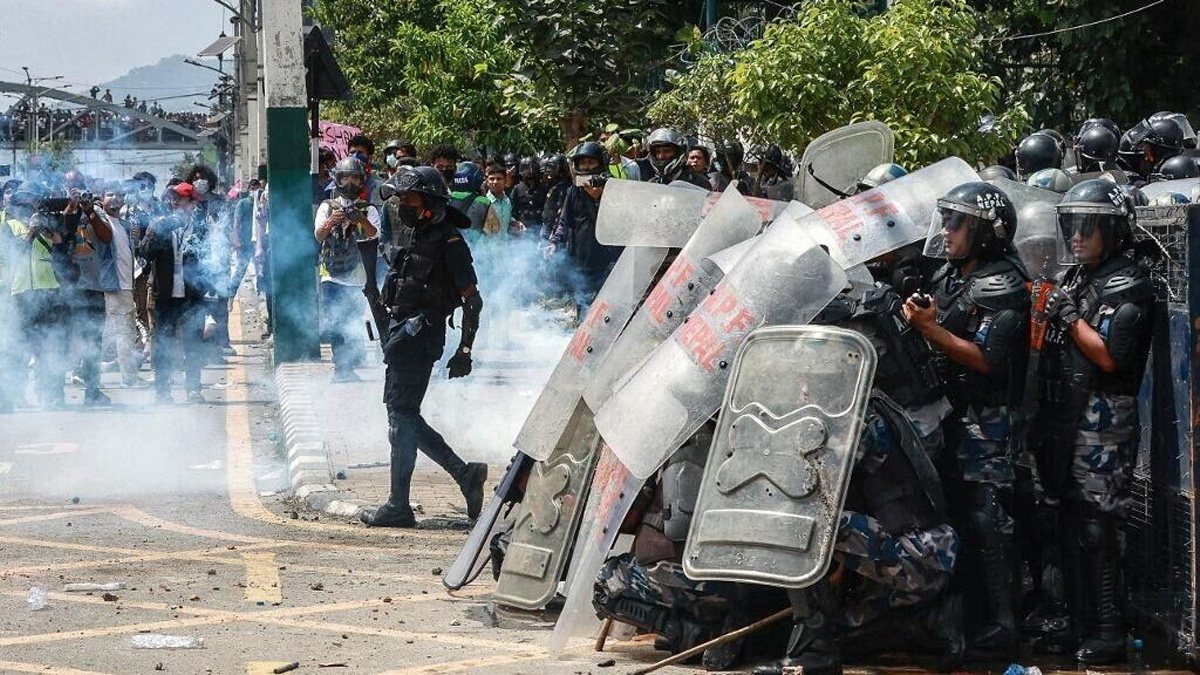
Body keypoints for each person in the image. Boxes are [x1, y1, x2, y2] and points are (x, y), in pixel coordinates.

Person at [1029, 179, 1154, 665]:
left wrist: (1068, 316)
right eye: (1071, 227)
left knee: (1099, 529)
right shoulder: (1081, 278)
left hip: (1105, 420)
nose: (1075, 238)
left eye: (1087, 228)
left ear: (1112, 231)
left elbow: (1111, 358)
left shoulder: (1129, 284)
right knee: (1068, 521)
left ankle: (1108, 629)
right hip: (1068, 417)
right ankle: (1079, 622)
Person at [903, 181, 1030, 658]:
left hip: (988, 420)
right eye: (947, 220)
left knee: (988, 517)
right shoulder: (952, 275)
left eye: (959, 223)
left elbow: (987, 360)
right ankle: (966, 614)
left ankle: (1004, 623)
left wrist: (930, 328)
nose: (949, 231)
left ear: (984, 233)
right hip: (951, 416)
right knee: (955, 512)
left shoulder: (1004, 284)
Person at [359, 166, 488, 528]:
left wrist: (465, 351)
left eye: (410, 199)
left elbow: (473, 302)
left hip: (422, 338)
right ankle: (465, 475)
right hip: (401, 338)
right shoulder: (415, 236)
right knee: (403, 417)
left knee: (401, 419)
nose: (402, 206)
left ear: (429, 202)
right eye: (400, 199)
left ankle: (399, 505)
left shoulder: (450, 243)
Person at [141, 183, 208, 404]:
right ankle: (163, 391)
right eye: (175, 200)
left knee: (193, 343)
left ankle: (194, 388)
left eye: (183, 200)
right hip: (166, 294)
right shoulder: (160, 225)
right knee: (163, 343)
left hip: (192, 294)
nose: (177, 204)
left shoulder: (199, 228)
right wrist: (155, 233)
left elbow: (208, 257)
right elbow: (145, 252)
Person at [315, 158, 379, 382]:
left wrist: (359, 218)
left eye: (354, 178)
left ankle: (349, 364)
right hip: (331, 275)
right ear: (337, 180)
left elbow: (374, 235)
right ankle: (340, 367)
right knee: (334, 320)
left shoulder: (369, 209)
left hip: (357, 277)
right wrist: (332, 221)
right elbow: (319, 235)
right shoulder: (327, 206)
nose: (349, 182)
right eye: (345, 178)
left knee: (351, 320)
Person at [4, 185, 66, 409]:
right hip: (20, 293)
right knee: (17, 347)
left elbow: (62, 258)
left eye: (35, 200)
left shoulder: (49, 224)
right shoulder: (8, 226)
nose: (31, 204)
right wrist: (31, 232)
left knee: (50, 345)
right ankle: (12, 396)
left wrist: (54, 235)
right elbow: (12, 253)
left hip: (48, 291)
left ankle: (51, 395)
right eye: (26, 200)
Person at [549, 142, 621, 310]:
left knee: (606, 306)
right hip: (581, 259)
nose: (586, 167)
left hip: (608, 260)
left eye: (591, 162)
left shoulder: (615, 188)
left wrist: (600, 198)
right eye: (583, 163)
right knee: (583, 303)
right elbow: (564, 220)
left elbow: (621, 222)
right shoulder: (573, 191)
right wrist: (554, 242)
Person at [64, 183, 116, 406]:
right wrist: (71, 206)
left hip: (93, 285)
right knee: (63, 338)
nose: (81, 198)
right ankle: (54, 392)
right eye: (77, 194)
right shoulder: (65, 211)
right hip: (69, 287)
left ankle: (92, 391)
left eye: (84, 195)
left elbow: (106, 237)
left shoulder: (97, 213)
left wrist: (90, 210)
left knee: (93, 340)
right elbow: (63, 230)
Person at [98, 183, 142, 386]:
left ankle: (85, 372)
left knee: (112, 334)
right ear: (101, 199)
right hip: (112, 285)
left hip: (125, 285)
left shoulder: (124, 225)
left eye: (120, 195)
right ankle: (130, 377)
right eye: (110, 194)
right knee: (124, 334)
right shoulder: (98, 220)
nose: (115, 198)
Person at [642, 128, 712, 188]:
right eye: (658, 152)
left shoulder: (697, 181)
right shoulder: (653, 183)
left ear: (679, 153)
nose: (661, 156)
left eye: (667, 151)